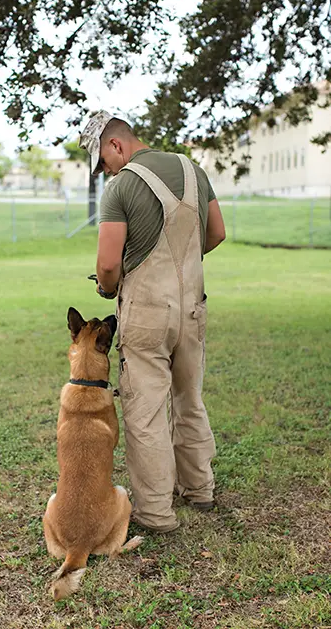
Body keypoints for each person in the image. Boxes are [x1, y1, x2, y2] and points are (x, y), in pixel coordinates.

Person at [79, 111, 226, 533]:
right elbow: (215, 233)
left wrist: (107, 290)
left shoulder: (120, 187)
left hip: (146, 314)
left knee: (145, 412)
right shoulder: (192, 169)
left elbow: (108, 265)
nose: (105, 170)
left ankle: (157, 513)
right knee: (189, 397)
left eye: (103, 161)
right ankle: (200, 489)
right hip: (193, 308)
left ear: (116, 145)